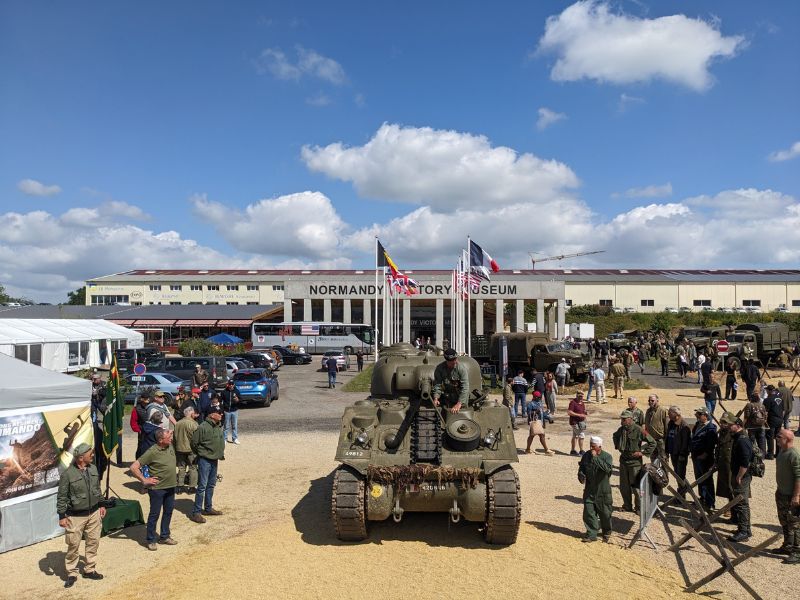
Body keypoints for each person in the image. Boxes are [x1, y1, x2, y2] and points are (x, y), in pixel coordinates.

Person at [56, 443, 106, 588]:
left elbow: (97, 488)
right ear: (80, 457)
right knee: (73, 545)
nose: (92, 455)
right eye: (90, 453)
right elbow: (62, 497)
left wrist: (102, 504)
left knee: (93, 542)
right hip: (75, 516)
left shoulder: (93, 468)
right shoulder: (67, 474)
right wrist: (61, 516)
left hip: (94, 513)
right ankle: (72, 573)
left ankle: (90, 569)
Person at [130, 428, 178, 550]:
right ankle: (151, 539)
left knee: (168, 511)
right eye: (169, 436)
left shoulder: (169, 445)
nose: (171, 438)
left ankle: (164, 536)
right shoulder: (152, 451)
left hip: (171, 486)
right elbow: (134, 467)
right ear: (161, 440)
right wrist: (144, 480)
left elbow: (171, 432)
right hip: (157, 488)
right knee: (154, 514)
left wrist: (170, 430)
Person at [613, 410, 655, 513]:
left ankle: (639, 508)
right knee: (624, 486)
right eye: (621, 419)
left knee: (636, 487)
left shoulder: (639, 430)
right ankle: (627, 505)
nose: (622, 421)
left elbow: (652, 442)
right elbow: (615, 436)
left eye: (624, 419)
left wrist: (643, 453)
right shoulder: (621, 429)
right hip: (623, 461)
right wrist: (618, 445)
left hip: (635, 463)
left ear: (630, 419)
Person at [189, 407, 225, 523]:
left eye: (221, 413)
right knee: (202, 486)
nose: (221, 415)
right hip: (205, 460)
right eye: (218, 413)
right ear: (211, 415)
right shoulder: (203, 427)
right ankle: (196, 512)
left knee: (211, 484)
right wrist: (202, 453)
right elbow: (194, 442)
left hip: (215, 459)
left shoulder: (218, 426)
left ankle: (208, 508)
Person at [578, 436, 613, 543]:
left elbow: (607, 469)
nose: (591, 449)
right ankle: (591, 534)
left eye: (594, 447)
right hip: (589, 490)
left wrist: (596, 458)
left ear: (600, 447)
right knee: (589, 512)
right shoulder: (586, 455)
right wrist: (581, 475)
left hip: (603, 491)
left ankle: (606, 532)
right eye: (590, 446)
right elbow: (582, 467)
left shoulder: (607, 456)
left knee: (605, 514)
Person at [773, 429, 800, 563]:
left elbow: (799, 477)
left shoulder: (794, 455)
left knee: (794, 525)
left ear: (787, 439)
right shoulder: (782, 451)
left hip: (791, 496)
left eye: (779, 437)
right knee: (784, 521)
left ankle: (797, 551)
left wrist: (796, 496)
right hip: (782, 494)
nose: (776, 438)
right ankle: (787, 546)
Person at [728, 418, 754, 542]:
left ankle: (744, 531)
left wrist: (739, 476)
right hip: (739, 474)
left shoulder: (742, 440)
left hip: (742, 476)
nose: (728, 426)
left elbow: (745, 462)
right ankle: (744, 529)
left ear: (737, 425)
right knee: (741, 503)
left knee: (742, 504)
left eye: (730, 424)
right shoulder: (738, 437)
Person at [690, 407, 718, 511]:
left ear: (705, 416)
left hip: (705, 458)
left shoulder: (711, 428)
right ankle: (702, 499)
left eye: (699, 414)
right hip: (696, 456)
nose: (696, 416)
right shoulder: (698, 425)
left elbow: (711, 445)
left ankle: (710, 502)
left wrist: (705, 454)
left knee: (707, 480)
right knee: (699, 479)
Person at [432, 348, 469, 414]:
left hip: (461, 398)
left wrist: (459, 404)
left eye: (455, 359)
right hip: (448, 398)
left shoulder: (461, 369)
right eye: (452, 360)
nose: (455, 362)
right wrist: (436, 398)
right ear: (447, 360)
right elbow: (437, 384)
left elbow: (465, 387)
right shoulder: (440, 368)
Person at [174, 406, 199, 493]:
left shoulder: (178, 423)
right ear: (191, 413)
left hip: (179, 449)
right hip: (190, 450)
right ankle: (192, 487)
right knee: (193, 468)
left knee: (181, 468)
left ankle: (180, 486)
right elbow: (196, 438)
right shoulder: (194, 424)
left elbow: (174, 438)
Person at [715, 412, 736, 515]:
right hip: (723, 463)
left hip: (731, 464)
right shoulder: (722, 432)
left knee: (731, 487)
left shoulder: (734, 434)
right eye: (722, 422)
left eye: (725, 422)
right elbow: (718, 448)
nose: (723, 424)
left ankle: (732, 509)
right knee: (726, 487)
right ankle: (730, 507)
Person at [666, 406, 691, 489]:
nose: (668, 415)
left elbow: (685, 442)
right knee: (677, 474)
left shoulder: (684, 426)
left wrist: (682, 455)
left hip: (680, 455)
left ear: (675, 414)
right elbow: (668, 437)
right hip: (673, 453)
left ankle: (681, 494)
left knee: (680, 475)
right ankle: (682, 492)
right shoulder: (671, 423)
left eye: (669, 413)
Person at [525, 391, 554, 456]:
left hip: (540, 422)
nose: (540, 398)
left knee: (540, 435)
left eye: (540, 397)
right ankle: (546, 450)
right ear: (535, 397)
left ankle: (528, 449)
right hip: (534, 422)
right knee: (534, 436)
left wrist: (548, 418)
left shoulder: (540, 403)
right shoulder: (530, 404)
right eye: (539, 397)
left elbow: (542, 413)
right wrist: (535, 411)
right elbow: (529, 414)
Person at [644, 393, 669, 460]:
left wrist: (666, 439)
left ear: (657, 401)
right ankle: (655, 470)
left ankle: (665, 471)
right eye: (649, 400)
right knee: (653, 458)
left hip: (660, 440)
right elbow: (646, 424)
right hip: (651, 440)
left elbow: (666, 426)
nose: (650, 402)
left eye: (652, 400)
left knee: (664, 458)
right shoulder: (648, 411)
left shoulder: (663, 411)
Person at [764, 385, 785, 460]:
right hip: (779, 419)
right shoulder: (780, 399)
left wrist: (764, 421)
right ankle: (778, 453)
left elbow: (765, 412)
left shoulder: (768, 400)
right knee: (778, 437)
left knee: (770, 437)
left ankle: (770, 454)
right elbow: (783, 410)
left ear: (769, 391)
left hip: (772, 420)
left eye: (766, 390)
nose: (766, 392)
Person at [220, 379, 241, 444]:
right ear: (228, 384)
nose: (231, 385)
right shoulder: (224, 392)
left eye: (232, 384)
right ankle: (224, 439)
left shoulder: (237, 391)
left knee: (234, 425)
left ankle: (235, 438)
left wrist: (238, 400)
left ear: (234, 384)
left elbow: (241, 400)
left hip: (234, 410)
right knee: (226, 426)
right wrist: (222, 409)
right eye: (230, 384)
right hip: (226, 411)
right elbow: (220, 401)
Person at [567, 391, 587, 456]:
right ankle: (581, 451)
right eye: (579, 396)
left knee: (575, 436)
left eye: (582, 396)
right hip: (574, 422)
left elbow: (583, 411)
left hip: (581, 422)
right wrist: (579, 415)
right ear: (577, 395)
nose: (581, 397)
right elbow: (569, 412)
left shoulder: (582, 403)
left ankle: (572, 451)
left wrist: (585, 414)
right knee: (581, 435)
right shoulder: (573, 403)